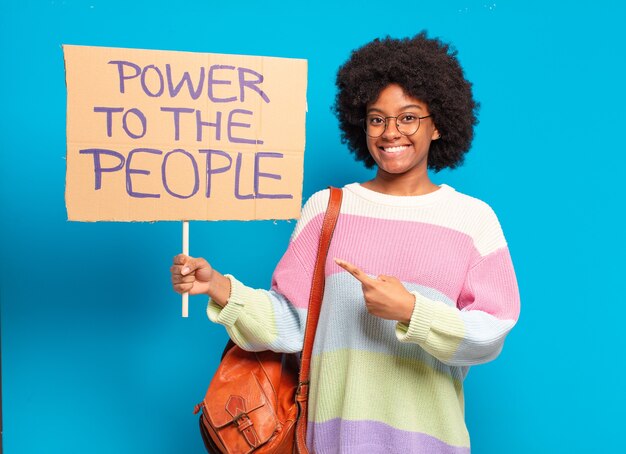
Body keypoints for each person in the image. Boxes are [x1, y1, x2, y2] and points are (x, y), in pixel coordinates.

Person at [171, 32, 520, 454]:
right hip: (334, 442)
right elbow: (291, 324)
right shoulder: (326, 210)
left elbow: (490, 334)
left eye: (408, 117)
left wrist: (412, 311)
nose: (391, 132)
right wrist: (218, 287)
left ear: (439, 123)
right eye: (377, 118)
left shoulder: (473, 220)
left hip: (433, 443)